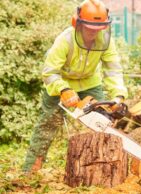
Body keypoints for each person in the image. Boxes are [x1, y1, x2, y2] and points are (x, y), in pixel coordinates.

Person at [23, 0, 128, 172]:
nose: (94, 32)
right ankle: (30, 169)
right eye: (90, 27)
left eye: (98, 28)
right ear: (77, 23)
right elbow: (49, 72)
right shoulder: (65, 40)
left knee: (104, 122)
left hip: (90, 83)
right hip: (60, 83)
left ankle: (104, 169)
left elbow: (113, 70)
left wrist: (118, 96)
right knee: (47, 125)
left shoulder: (107, 41)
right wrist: (63, 89)